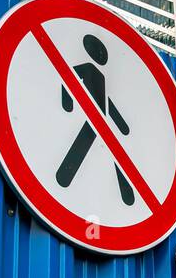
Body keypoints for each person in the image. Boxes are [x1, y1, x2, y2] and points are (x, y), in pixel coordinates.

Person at [56, 34, 134, 205]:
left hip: (101, 121)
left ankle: (127, 190)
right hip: (92, 120)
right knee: (84, 148)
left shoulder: (101, 76)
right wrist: (67, 103)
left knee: (112, 154)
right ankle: (63, 177)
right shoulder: (84, 68)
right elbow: (67, 83)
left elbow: (107, 102)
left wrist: (122, 125)